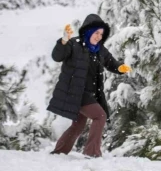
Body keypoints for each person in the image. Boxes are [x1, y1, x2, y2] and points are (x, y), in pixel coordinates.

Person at [48, 14, 131, 158]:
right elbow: (57, 56)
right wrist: (63, 41)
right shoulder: (74, 44)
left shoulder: (100, 50)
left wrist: (120, 68)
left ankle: (59, 152)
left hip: (89, 93)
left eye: (101, 34)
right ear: (88, 31)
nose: (99, 36)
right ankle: (92, 153)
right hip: (76, 92)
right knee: (100, 116)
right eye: (96, 33)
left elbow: (111, 63)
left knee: (78, 124)